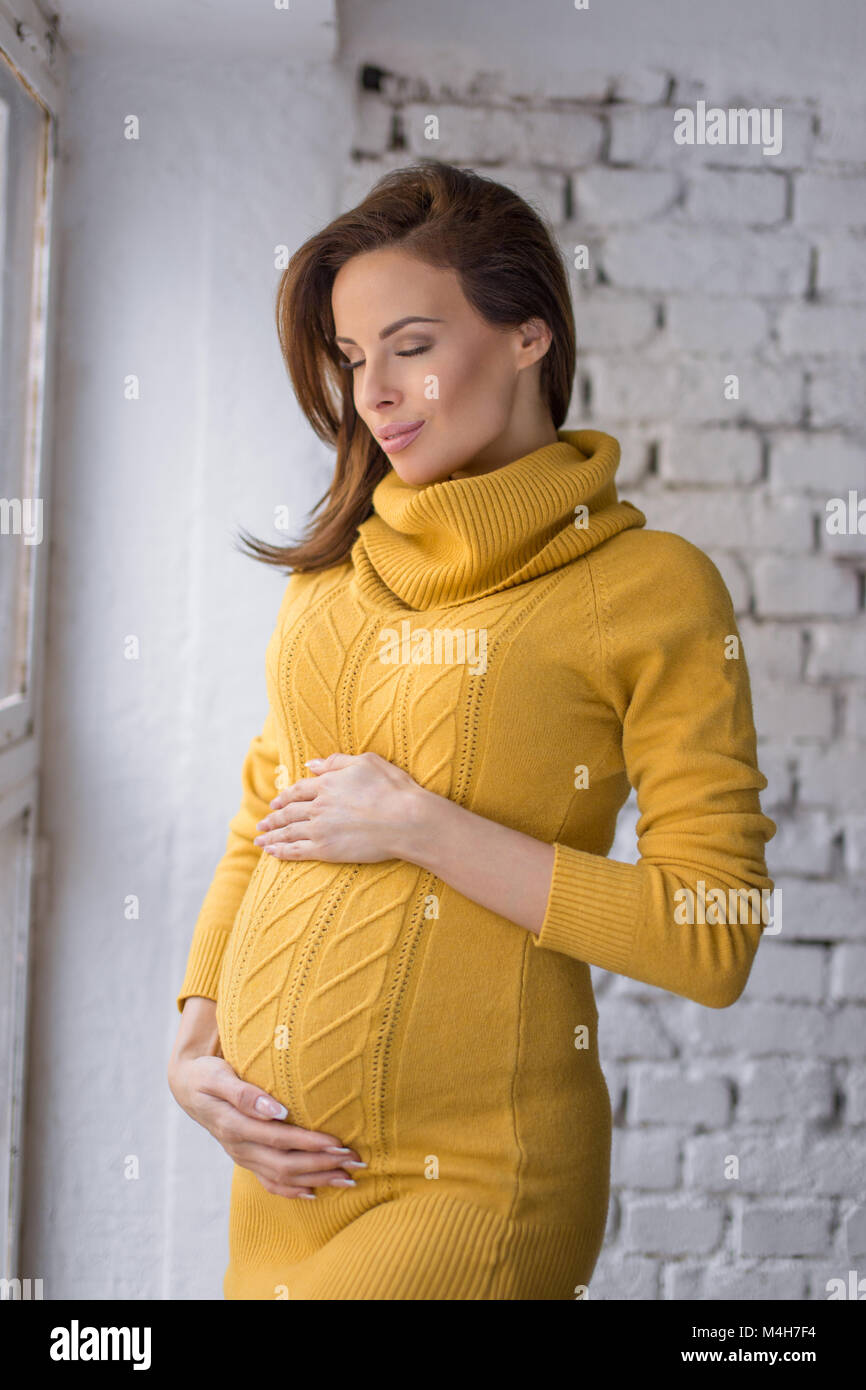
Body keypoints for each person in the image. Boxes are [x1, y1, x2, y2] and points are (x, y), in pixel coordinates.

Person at [167, 158, 776, 1301]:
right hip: (282, 1183)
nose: (374, 395)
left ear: (527, 335)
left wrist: (418, 824)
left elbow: (713, 931)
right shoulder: (332, 579)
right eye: (351, 361)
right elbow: (272, 811)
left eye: (410, 345)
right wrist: (196, 1038)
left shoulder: (648, 589)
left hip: (479, 1183)